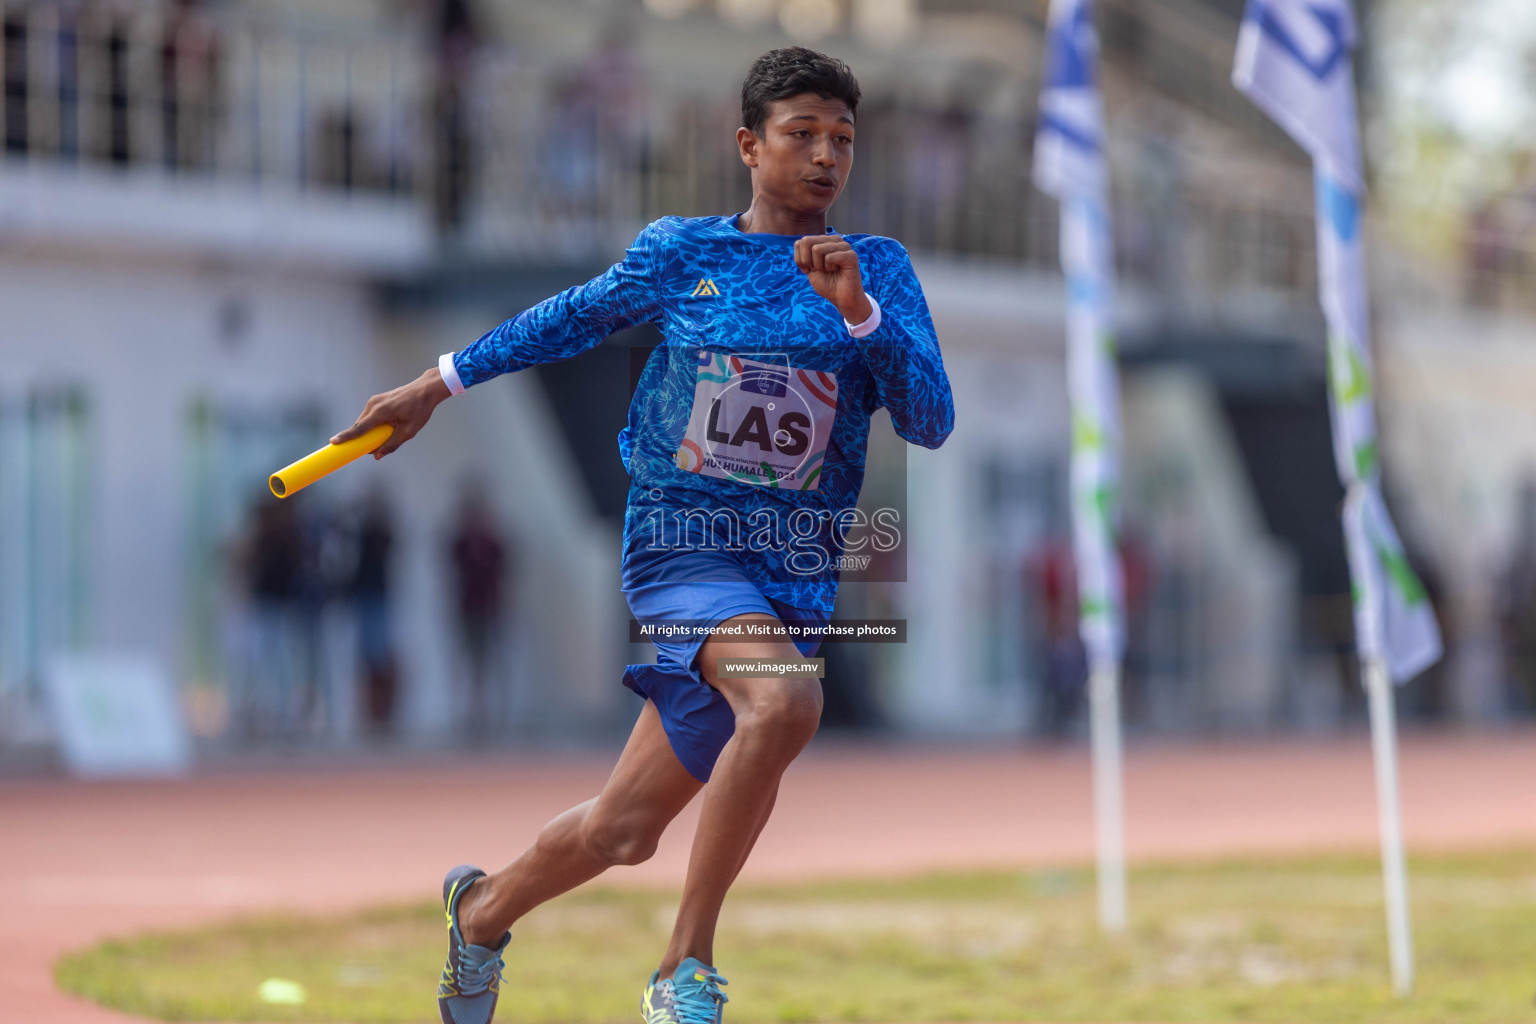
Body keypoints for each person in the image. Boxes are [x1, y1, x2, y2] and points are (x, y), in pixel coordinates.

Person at [330, 46, 954, 1024]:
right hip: (681, 543)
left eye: (843, 138)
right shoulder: (683, 254)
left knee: (624, 831)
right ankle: (683, 968)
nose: (827, 155)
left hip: (791, 574)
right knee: (787, 705)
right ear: (749, 145)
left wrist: (862, 314)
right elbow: (567, 319)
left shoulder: (879, 270)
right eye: (802, 135)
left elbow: (929, 420)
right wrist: (434, 384)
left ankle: (482, 911)